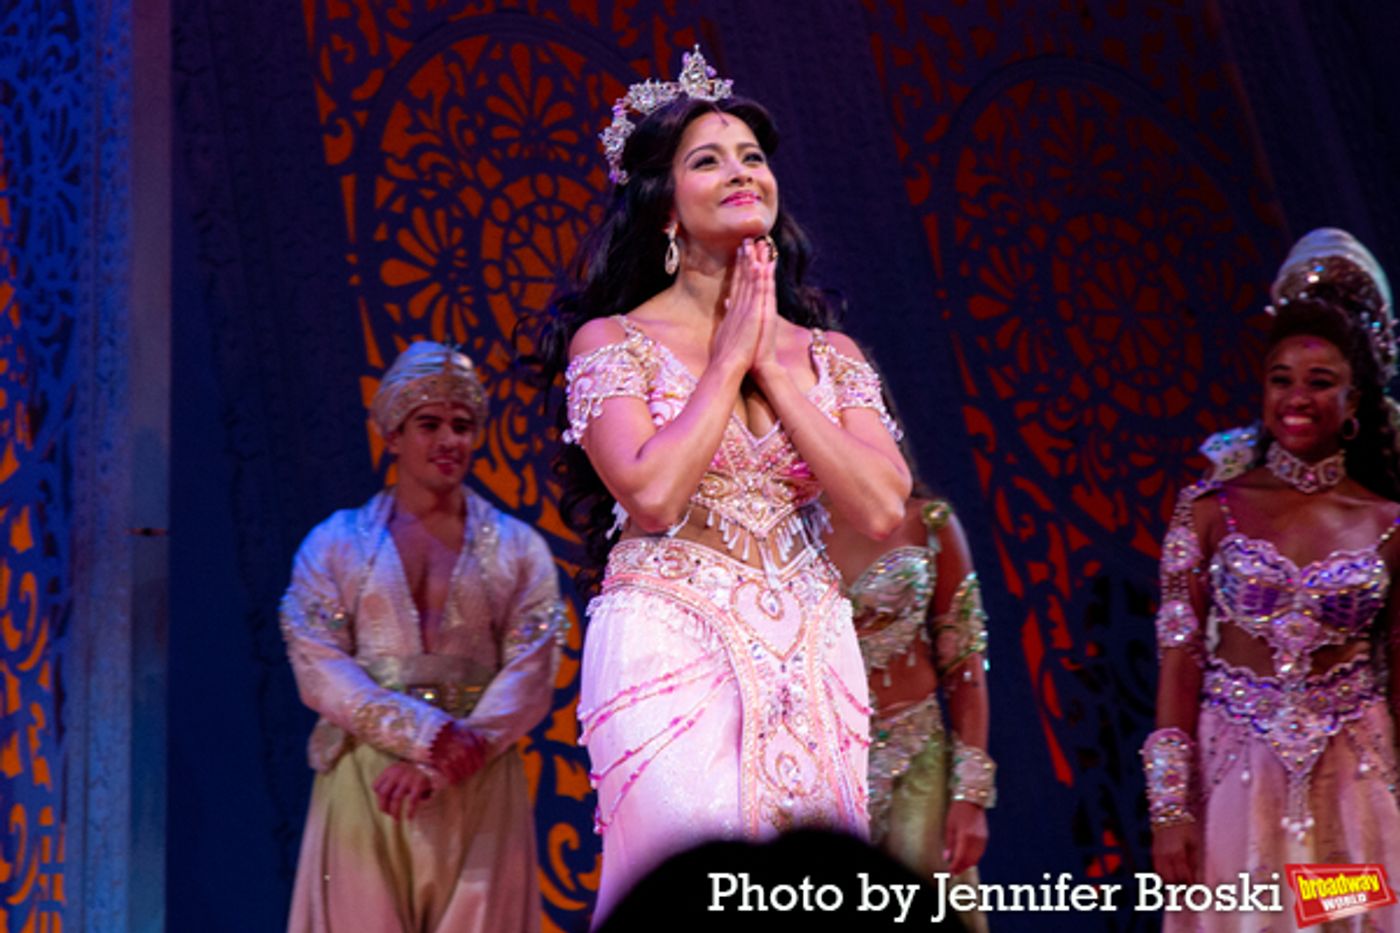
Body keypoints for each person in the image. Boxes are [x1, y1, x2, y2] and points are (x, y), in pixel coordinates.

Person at [537, 48, 911, 923]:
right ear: (664, 203)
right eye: (708, 159)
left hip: (813, 648)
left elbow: (884, 507)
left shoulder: (831, 357)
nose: (741, 172)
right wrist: (731, 356)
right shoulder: (610, 343)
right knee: (689, 896)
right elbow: (654, 494)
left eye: (752, 155)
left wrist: (777, 367)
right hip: (670, 642)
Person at [1147, 229, 1400, 931]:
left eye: (1321, 383)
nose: (1297, 397)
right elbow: (1178, 667)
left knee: (1348, 915)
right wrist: (1171, 809)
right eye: (1281, 379)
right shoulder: (1210, 512)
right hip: (1237, 776)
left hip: (1356, 781)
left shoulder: (1388, 522)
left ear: (1354, 405)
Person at [280, 341, 565, 932]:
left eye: (462, 425)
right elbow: (318, 664)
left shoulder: (517, 548)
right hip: (368, 775)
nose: (449, 440)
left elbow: (532, 672)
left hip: (478, 773)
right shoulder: (335, 544)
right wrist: (422, 735)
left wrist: (454, 755)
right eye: (429, 424)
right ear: (392, 435)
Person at [825, 463, 992, 933]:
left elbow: (967, 664)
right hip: (829, 772)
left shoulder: (928, 522)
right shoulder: (782, 540)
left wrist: (970, 795)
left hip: (918, 761)